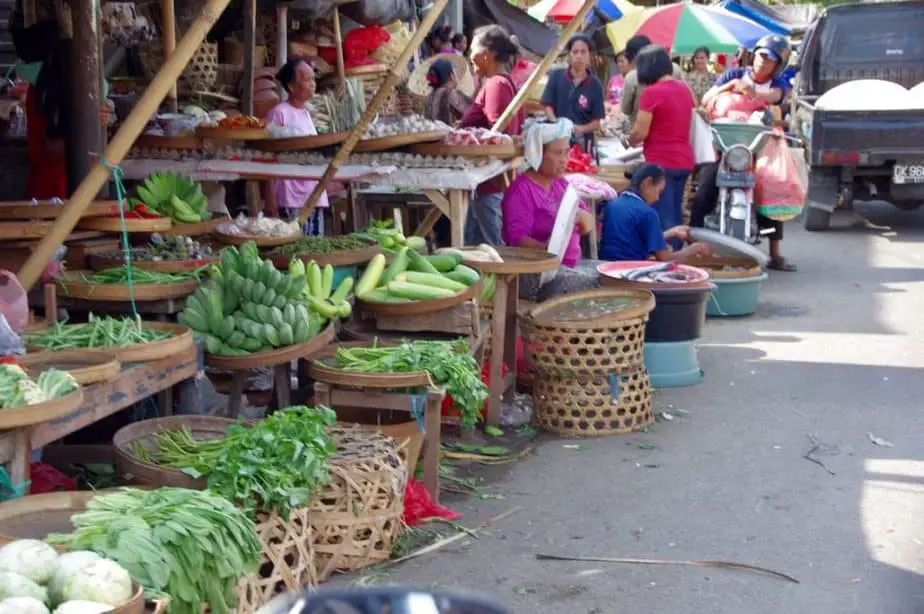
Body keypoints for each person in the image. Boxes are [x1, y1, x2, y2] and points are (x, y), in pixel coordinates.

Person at [693, 35, 796, 271]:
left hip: (761, 149)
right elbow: (707, 99)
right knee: (704, 192)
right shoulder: (733, 74)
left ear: (778, 64)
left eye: (771, 59)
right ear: (754, 54)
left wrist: (754, 94)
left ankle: (775, 252)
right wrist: (731, 86)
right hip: (726, 146)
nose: (764, 62)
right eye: (761, 55)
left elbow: (776, 98)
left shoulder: (778, 84)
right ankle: (693, 245)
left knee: (771, 195)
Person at [501, 118, 600, 301]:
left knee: (613, 276)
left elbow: (587, 225)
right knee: (598, 285)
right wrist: (549, 250)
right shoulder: (521, 191)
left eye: (566, 152)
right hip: (539, 276)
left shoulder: (561, 184)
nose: (564, 160)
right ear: (537, 154)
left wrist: (579, 217)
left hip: (569, 266)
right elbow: (517, 239)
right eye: (557, 153)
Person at [459, 25, 524, 246]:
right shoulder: (502, 83)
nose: (470, 56)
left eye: (472, 51)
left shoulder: (496, 84)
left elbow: (498, 136)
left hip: (491, 183)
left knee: (495, 251)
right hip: (488, 182)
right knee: (477, 248)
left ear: (486, 55)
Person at [626, 44, 694, 248]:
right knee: (675, 213)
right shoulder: (684, 89)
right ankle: (679, 258)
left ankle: (671, 264)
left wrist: (629, 140)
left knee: (664, 218)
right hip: (684, 160)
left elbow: (641, 132)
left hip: (661, 161)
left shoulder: (651, 93)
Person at [265, 59, 328, 233]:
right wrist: (270, 196)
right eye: (307, 80)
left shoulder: (306, 113)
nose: (313, 84)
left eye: (313, 79)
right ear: (292, 87)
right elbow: (268, 155)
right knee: (294, 249)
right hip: (291, 196)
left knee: (314, 251)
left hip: (313, 193)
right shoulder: (279, 113)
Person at [600, 164, 713, 261]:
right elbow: (665, 259)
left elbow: (634, 237)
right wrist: (693, 249)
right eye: (659, 191)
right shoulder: (647, 213)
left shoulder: (613, 204)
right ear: (647, 183)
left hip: (606, 266)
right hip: (630, 270)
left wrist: (672, 232)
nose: (658, 198)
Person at [540, 34, 606, 152]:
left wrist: (579, 129)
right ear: (569, 55)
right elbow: (547, 105)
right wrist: (557, 124)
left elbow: (596, 123)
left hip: (584, 144)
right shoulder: (556, 76)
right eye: (575, 52)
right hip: (557, 141)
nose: (579, 56)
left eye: (583, 52)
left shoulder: (595, 85)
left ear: (589, 56)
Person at [621, 35, 683, 124]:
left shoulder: (632, 77)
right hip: (673, 124)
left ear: (635, 56)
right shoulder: (675, 68)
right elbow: (687, 95)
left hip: (642, 129)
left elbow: (626, 110)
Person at [424, 58, 471, 126]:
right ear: (451, 76)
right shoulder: (450, 93)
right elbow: (472, 112)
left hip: (433, 135)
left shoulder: (430, 96)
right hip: (447, 135)